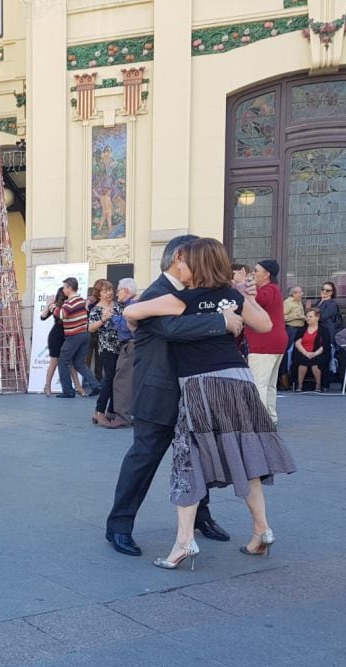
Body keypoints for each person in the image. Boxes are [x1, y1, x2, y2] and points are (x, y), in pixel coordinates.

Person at [122, 237, 296, 570]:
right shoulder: (229, 297)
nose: (179, 265)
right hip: (240, 381)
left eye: (185, 262)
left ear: (196, 265)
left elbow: (132, 311)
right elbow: (265, 324)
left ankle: (185, 542)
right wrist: (234, 306)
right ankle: (262, 530)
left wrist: (143, 314)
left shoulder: (180, 299)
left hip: (203, 384)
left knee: (189, 461)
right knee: (247, 457)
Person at [105, 234, 243, 557]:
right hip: (159, 393)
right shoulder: (157, 293)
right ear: (180, 257)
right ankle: (119, 526)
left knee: (199, 459)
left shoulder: (194, 292)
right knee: (144, 459)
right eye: (197, 259)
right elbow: (171, 329)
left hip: (194, 391)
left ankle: (200, 518)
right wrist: (220, 319)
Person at [245, 259, 286, 425]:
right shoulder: (274, 289)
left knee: (258, 384)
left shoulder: (268, 290)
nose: (253, 273)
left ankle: (259, 421)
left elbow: (257, 299)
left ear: (266, 274)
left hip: (264, 343)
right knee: (269, 385)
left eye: (256, 270)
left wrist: (244, 284)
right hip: (275, 342)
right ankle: (270, 417)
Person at [55, 277, 101, 400]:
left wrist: (51, 306)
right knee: (79, 363)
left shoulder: (69, 302)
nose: (63, 290)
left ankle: (68, 391)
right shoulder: (81, 300)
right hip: (85, 334)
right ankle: (95, 385)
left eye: (64, 287)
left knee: (63, 361)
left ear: (70, 288)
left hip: (74, 335)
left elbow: (61, 315)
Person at [86, 279, 122, 426]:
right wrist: (103, 319)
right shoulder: (96, 309)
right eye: (105, 291)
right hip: (107, 348)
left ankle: (112, 411)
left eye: (110, 290)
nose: (109, 293)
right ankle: (99, 410)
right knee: (109, 378)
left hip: (121, 347)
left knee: (117, 379)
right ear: (99, 294)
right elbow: (91, 328)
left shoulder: (119, 306)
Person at [108, 278, 138, 427]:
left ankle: (122, 418)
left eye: (118, 290)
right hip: (132, 347)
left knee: (122, 382)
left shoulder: (131, 307)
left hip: (129, 347)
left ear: (126, 291)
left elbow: (124, 327)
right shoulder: (133, 305)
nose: (116, 293)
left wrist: (112, 317)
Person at [39, 285, 67, 397]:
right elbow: (43, 317)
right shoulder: (56, 306)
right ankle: (48, 386)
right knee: (54, 362)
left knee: (70, 362)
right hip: (56, 336)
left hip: (69, 336)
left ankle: (77, 387)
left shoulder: (70, 305)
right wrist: (48, 305)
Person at [314, 281, 342, 390]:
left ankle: (325, 383)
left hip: (326, 332)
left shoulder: (332, 304)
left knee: (326, 357)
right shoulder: (318, 302)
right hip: (317, 331)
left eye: (327, 290)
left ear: (332, 292)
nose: (324, 292)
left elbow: (323, 316)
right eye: (323, 289)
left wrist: (308, 314)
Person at [279, 285, 306, 390]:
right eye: (300, 292)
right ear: (294, 294)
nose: (302, 294)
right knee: (287, 352)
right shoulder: (288, 303)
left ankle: (293, 378)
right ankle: (284, 377)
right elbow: (281, 317)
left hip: (300, 329)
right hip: (291, 329)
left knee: (296, 353)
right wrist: (293, 317)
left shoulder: (298, 302)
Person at [292, 308, 325, 392]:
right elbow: (297, 343)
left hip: (318, 353)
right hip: (303, 352)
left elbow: (325, 345)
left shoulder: (323, 330)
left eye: (310, 316)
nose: (308, 319)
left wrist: (314, 353)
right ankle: (300, 385)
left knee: (316, 362)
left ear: (317, 317)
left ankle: (318, 385)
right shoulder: (302, 329)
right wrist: (305, 353)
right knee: (302, 361)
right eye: (307, 317)